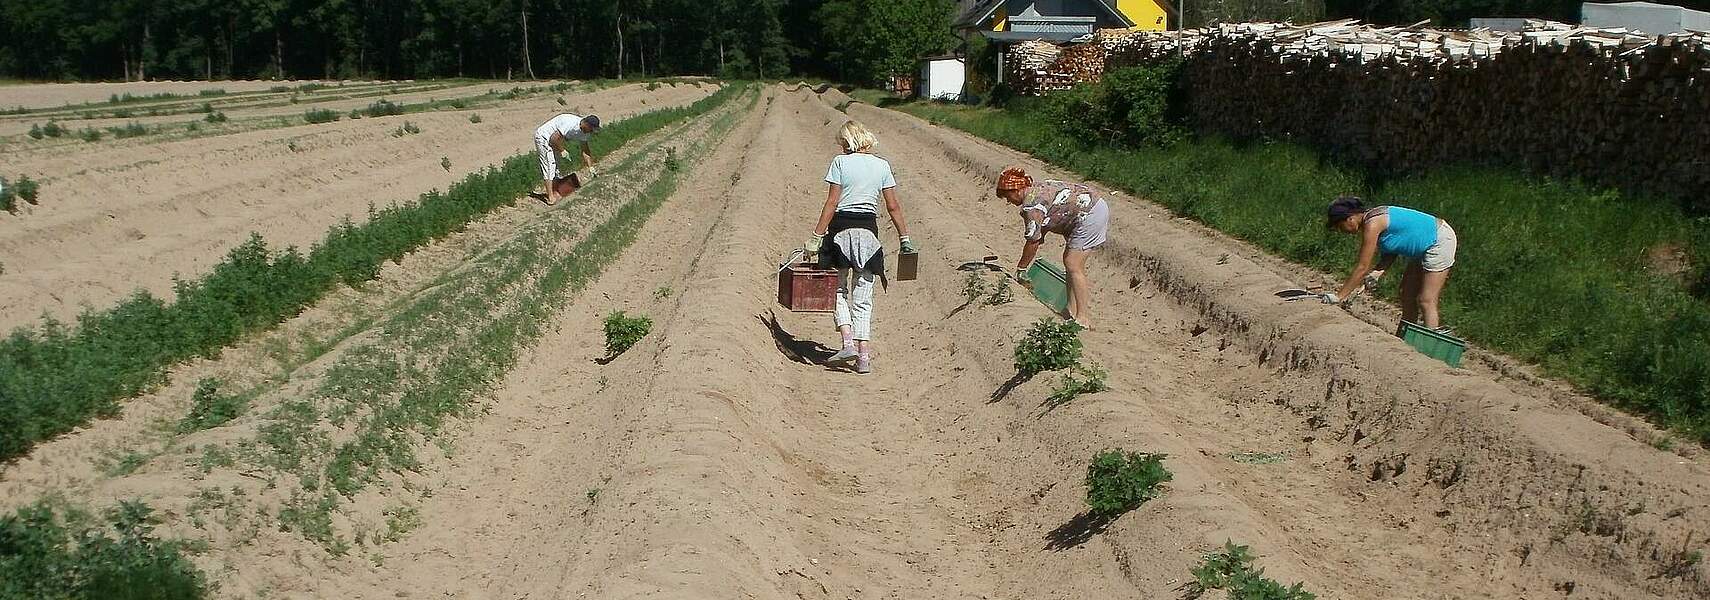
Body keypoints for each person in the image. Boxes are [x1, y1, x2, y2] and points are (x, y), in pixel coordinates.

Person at [804, 121, 915, 375]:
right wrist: (904, 238)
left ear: (849, 141)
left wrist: (816, 235)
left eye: (843, 143)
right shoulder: (882, 165)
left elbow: (832, 202)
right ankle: (863, 356)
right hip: (868, 234)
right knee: (864, 297)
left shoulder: (840, 163)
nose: (842, 147)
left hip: (841, 230)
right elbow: (893, 206)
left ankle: (846, 341)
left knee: (837, 289)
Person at [993, 166, 1109, 327]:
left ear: (1016, 190)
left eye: (1007, 197)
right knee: (1071, 263)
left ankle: (1083, 317)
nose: (1009, 202)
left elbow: (1033, 241)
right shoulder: (1035, 190)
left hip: (1090, 213)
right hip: (1091, 206)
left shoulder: (1031, 206)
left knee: (1073, 263)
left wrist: (1021, 268)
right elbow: (1041, 231)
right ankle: (1070, 309)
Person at [1322, 196, 1459, 332]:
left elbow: (1362, 267)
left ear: (1350, 218)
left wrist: (1338, 297)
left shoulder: (1372, 224)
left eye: (1340, 226)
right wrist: (1377, 272)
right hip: (1425, 245)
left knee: (1426, 300)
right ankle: (1404, 340)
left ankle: (1432, 344)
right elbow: (1394, 246)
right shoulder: (1373, 219)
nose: (1342, 231)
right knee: (1406, 294)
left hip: (1438, 241)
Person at [533, 113, 601, 205]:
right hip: (544, 137)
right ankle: (550, 197)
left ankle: (555, 191)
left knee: (556, 166)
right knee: (549, 165)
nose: (591, 132)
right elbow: (553, 139)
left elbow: (585, 151)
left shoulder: (585, 132)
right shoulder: (571, 125)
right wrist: (562, 151)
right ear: (586, 124)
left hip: (554, 140)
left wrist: (591, 167)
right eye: (591, 129)